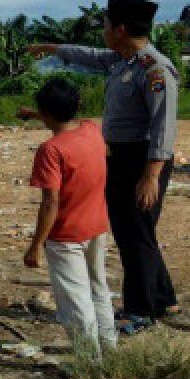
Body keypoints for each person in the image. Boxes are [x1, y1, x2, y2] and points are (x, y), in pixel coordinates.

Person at [23, 0, 180, 334]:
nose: (104, 33)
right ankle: (163, 297)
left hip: (143, 160)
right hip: (120, 158)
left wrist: (151, 176)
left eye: (106, 26)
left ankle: (141, 310)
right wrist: (51, 47)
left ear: (120, 30)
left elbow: (162, 128)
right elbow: (87, 55)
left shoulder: (155, 70)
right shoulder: (123, 61)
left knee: (134, 234)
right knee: (137, 230)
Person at [22, 78, 117, 360]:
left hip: (66, 237)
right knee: (99, 289)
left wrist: (35, 244)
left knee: (76, 302)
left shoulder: (51, 150)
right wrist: (37, 114)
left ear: (47, 114)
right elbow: (64, 119)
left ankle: (91, 363)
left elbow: (51, 201)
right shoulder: (91, 129)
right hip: (97, 226)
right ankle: (109, 349)